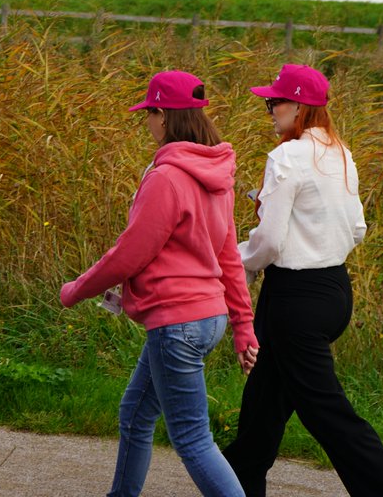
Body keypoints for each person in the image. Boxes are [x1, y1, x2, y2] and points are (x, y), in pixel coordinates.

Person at [223, 64, 383, 497]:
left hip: (294, 299)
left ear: (299, 106)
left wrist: (234, 262)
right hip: (333, 290)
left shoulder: (287, 157)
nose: (269, 109)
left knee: (326, 412)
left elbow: (271, 240)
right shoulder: (341, 153)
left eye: (275, 102)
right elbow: (357, 230)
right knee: (265, 399)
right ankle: (237, 479)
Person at [60, 70, 259, 497]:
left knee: (192, 441)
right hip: (208, 318)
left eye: (149, 113)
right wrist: (243, 326)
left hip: (178, 325)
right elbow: (228, 256)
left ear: (164, 115)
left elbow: (131, 253)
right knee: (134, 413)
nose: (146, 122)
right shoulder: (217, 173)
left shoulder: (167, 177)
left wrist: (77, 289)